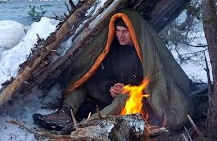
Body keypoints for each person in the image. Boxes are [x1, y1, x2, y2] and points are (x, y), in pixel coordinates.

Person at [33, 9, 193, 132]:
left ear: (134, 32)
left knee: (125, 97)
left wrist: (130, 88)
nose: (120, 36)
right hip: (113, 94)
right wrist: (109, 86)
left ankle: (83, 126)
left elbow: (157, 81)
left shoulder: (146, 51)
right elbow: (101, 74)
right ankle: (64, 114)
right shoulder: (113, 50)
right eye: (118, 31)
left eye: (125, 32)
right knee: (83, 84)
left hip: (139, 99)